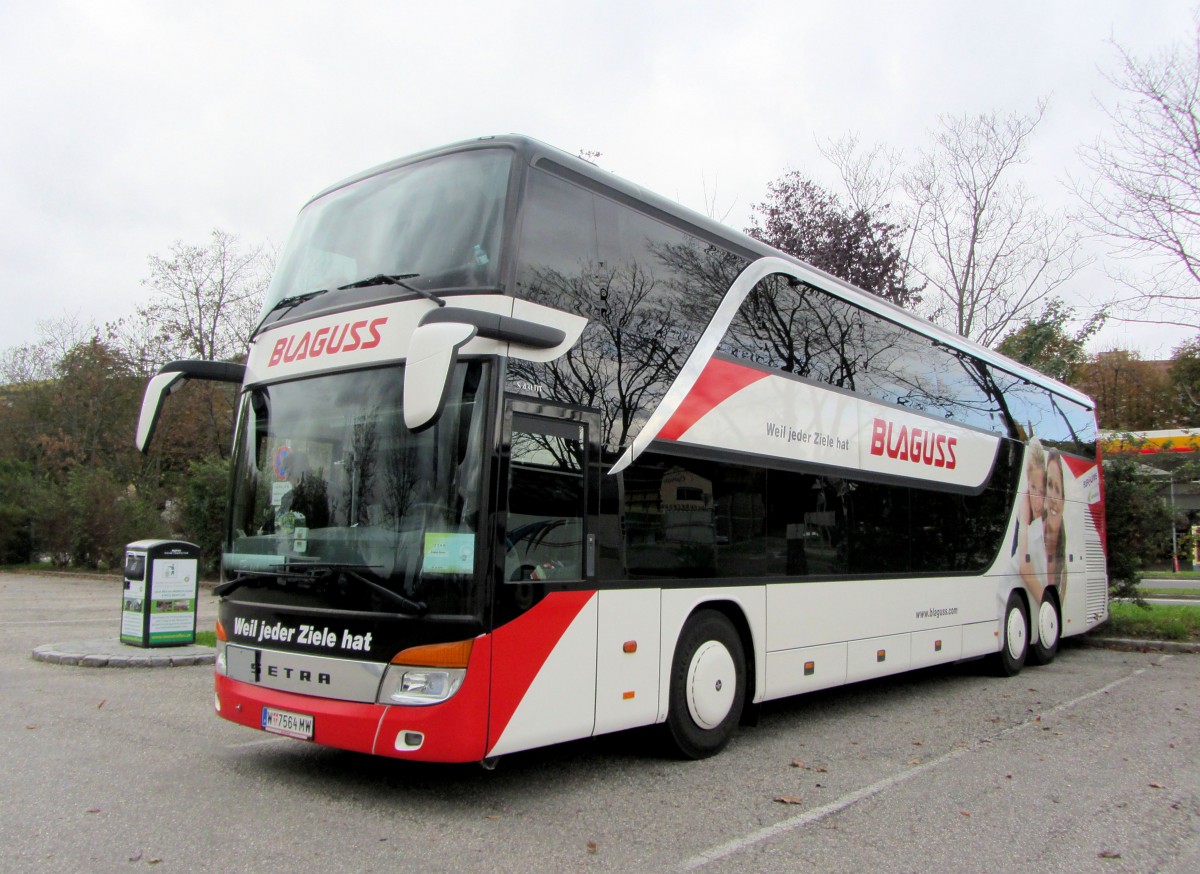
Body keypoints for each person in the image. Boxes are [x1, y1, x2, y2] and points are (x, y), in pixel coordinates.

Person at [1014, 439, 1048, 602]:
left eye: (1042, 491)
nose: (1037, 499)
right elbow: (1023, 566)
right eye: (1033, 488)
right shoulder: (1024, 502)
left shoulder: (1049, 512)